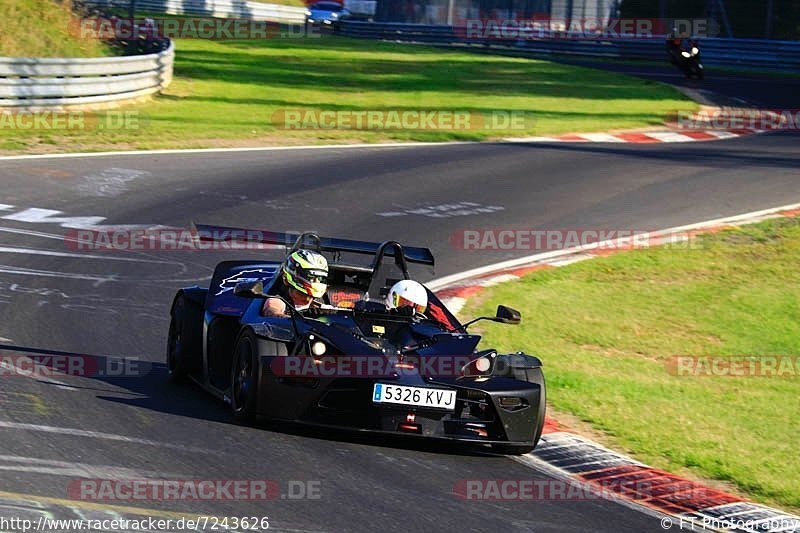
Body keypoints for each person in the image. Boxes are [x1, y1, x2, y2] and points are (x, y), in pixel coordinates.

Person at [262, 249, 328, 317]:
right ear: (295, 276)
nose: (317, 281)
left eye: (320, 278)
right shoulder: (277, 300)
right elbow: (272, 310)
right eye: (311, 277)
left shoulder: (323, 303)